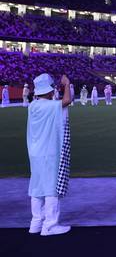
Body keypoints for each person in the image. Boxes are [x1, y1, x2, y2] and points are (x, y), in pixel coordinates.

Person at [27, 73, 73, 236]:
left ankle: (36, 223)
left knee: (37, 187)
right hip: (49, 152)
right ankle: (50, 225)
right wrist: (66, 85)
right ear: (47, 91)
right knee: (51, 188)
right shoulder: (48, 106)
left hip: (35, 153)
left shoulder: (33, 105)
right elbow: (66, 101)